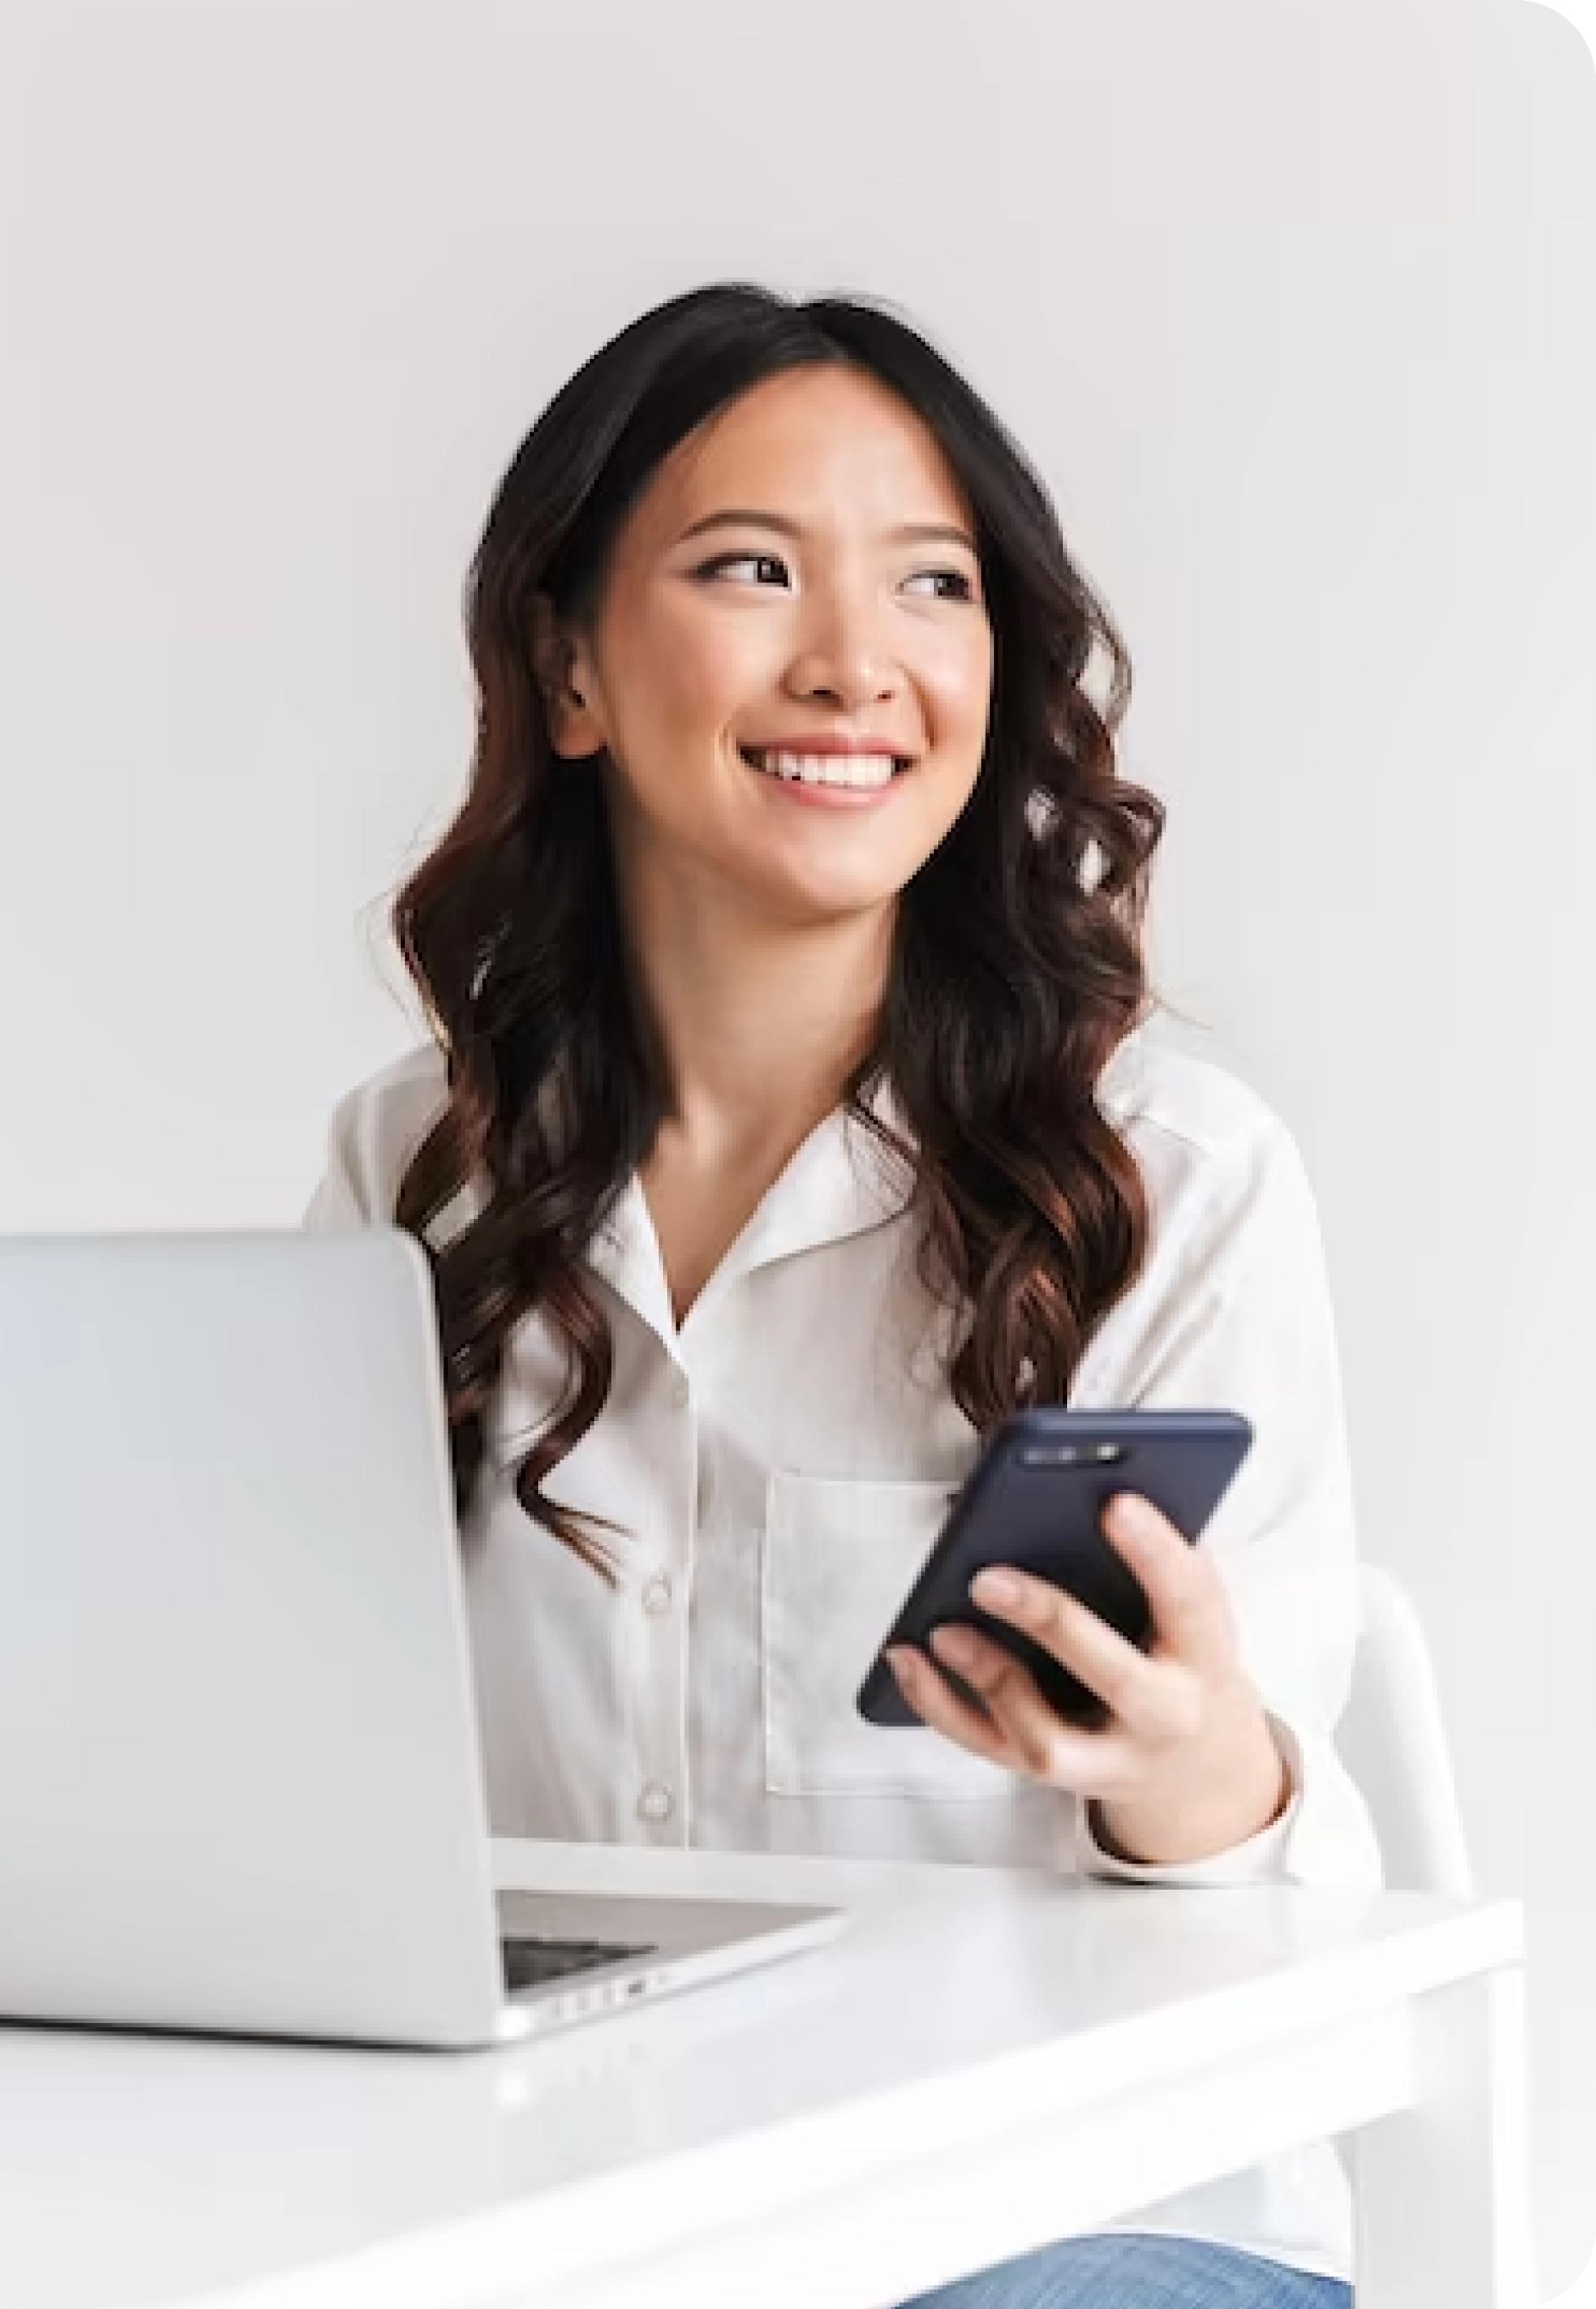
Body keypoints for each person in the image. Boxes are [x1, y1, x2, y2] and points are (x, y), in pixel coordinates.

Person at [304, 281, 1380, 2308]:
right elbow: (293, 1759)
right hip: (563, 2224)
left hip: (1082, 2220)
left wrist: (1181, 1768)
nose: (856, 663)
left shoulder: (1172, 1176)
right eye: (749, 568)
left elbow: (1277, 1922)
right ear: (569, 671)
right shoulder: (406, 1176)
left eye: (933, 586)